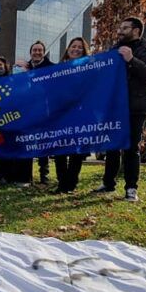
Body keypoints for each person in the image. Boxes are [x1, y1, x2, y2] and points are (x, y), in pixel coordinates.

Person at [93, 16, 146, 202]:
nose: (120, 31)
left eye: (125, 28)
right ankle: (108, 183)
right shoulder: (114, 51)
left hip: (135, 106)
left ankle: (131, 189)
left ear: (136, 30)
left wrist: (131, 59)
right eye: (120, 27)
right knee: (112, 147)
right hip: (114, 106)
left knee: (131, 148)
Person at [54, 37, 92, 193]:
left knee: (76, 151)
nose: (76, 49)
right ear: (68, 49)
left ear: (84, 51)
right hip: (61, 114)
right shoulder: (57, 69)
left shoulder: (89, 69)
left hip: (79, 114)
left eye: (79, 47)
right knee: (59, 150)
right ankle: (62, 182)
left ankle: (71, 182)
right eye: (73, 46)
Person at [0, 55, 31, 185]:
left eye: (0, 64)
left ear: (5, 66)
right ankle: (2, 175)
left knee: (15, 147)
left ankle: (16, 176)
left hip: (14, 120)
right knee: (2, 149)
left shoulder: (12, 80)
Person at [16, 40, 54, 184]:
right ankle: (26, 177)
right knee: (28, 144)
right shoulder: (23, 68)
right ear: (30, 53)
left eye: (40, 50)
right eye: (34, 50)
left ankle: (44, 175)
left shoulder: (52, 68)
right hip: (27, 113)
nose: (37, 52)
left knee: (43, 143)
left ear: (44, 53)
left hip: (45, 111)